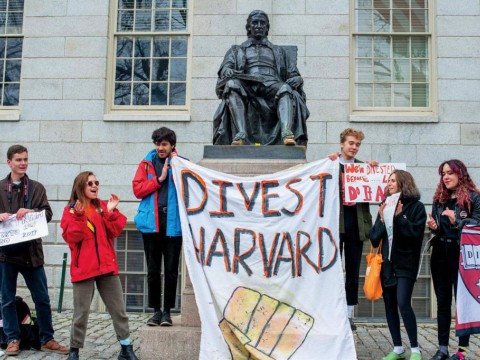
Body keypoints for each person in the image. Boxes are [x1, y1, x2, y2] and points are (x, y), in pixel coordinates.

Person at [60, 171, 138, 360]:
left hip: (106, 267)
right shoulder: (71, 210)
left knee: (118, 310)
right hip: (84, 269)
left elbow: (115, 231)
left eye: (96, 182)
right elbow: (72, 237)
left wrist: (110, 213)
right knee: (81, 312)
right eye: (90, 183)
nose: (95, 186)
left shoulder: (103, 206)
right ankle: (74, 350)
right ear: (81, 187)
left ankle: (126, 348)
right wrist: (79, 217)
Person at [0, 144, 68, 356]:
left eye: (25, 159)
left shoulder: (36, 187)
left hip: (31, 254)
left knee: (42, 298)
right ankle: (12, 338)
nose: (23, 163)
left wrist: (31, 211)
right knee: (7, 299)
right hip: (6, 254)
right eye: (19, 160)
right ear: (9, 162)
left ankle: (47, 338)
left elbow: (47, 214)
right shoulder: (0, 187)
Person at [213, 10, 309, 146]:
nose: (258, 26)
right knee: (231, 84)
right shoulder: (236, 50)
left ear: (267, 27)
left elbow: (293, 73)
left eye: (262, 23)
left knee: (286, 88)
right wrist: (227, 69)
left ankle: (286, 133)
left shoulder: (279, 51)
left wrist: (298, 79)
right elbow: (226, 68)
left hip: (271, 84)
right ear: (249, 27)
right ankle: (240, 134)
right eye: (255, 23)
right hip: (247, 84)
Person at [369, 170, 427, 360]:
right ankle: (398, 348)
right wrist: (382, 218)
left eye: (393, 180)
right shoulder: (384, 206)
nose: (389, 184)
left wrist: (400, 218)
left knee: (403, 302)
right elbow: (374, 237)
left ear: (403, 183)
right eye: (388, 180)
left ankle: (415, 349)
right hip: (387, 264)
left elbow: (415, 234)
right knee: (390, 305)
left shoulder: (417, 207)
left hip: (406, 263)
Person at [427, 160, 480, 360]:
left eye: (450, 173)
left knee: (462, 303)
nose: (446, 177)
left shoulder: (474, 197)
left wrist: (456, 220)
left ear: (460, 174)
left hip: (462, 254)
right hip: (441, 252)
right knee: (442, 302)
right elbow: (439, 226)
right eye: (443, 174)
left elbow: (477, 224)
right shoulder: (440, 199)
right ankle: (442, 348)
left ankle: (462, 351)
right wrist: (434, 225)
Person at [132, 127, 183, 327]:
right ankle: (156, 311)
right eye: (158, 144)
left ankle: (168, 312)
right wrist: (159, 179)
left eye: (164, 144)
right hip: (151, 225)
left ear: (172, 146)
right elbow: (137, 190)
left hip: (172, 224)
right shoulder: (146, 164)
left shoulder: (182, 163)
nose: (160, 148)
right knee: (153, 270)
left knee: (171, 270)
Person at [328, 128, 373, 330]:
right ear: (342, 144)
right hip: (334, 223)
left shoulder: (363, 168)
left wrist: (375, 172)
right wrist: (326, 163)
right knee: (333, 269)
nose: (354, 147)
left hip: (356, 224)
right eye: (351, 143)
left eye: (357, 144)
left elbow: (378, 191)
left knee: (353, 269)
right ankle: (331, 311)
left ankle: (348, 313)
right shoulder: (330, 165)